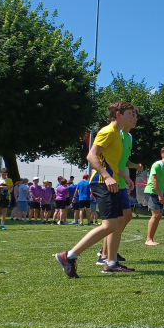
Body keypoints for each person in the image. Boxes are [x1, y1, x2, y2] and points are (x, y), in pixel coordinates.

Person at [54, 101, 137, 278]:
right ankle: (69, 256)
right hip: (101, 182)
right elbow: (91, 156)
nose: (134, 116)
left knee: (117, 222)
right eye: (130, 113)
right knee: (109, 224)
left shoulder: (117, 134)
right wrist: (106, 177)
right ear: (118, 114)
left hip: (112, 182)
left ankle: (111, 263)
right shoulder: (107, 131)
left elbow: (112, 163)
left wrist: (125, 177)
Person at [100, 107, 142, 264]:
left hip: (121, 180)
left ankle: (108, 251)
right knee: (115, 220)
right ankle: (105, 254)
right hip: (112, 179)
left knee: (125, 217)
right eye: (131, 115)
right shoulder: (116, 134)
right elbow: (106, 158)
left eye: (135, 116)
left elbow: (124, 160)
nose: (134, 118)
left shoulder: (129, 137)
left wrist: (134, 166)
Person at [144, 146, 164, 246]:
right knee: (156, 215)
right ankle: (148, 240)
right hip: (152, 192)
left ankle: (151, 239)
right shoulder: (157, 165)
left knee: (159, 216)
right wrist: (160, 196)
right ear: (162, 154)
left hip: (158, 193)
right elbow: (154, 181)